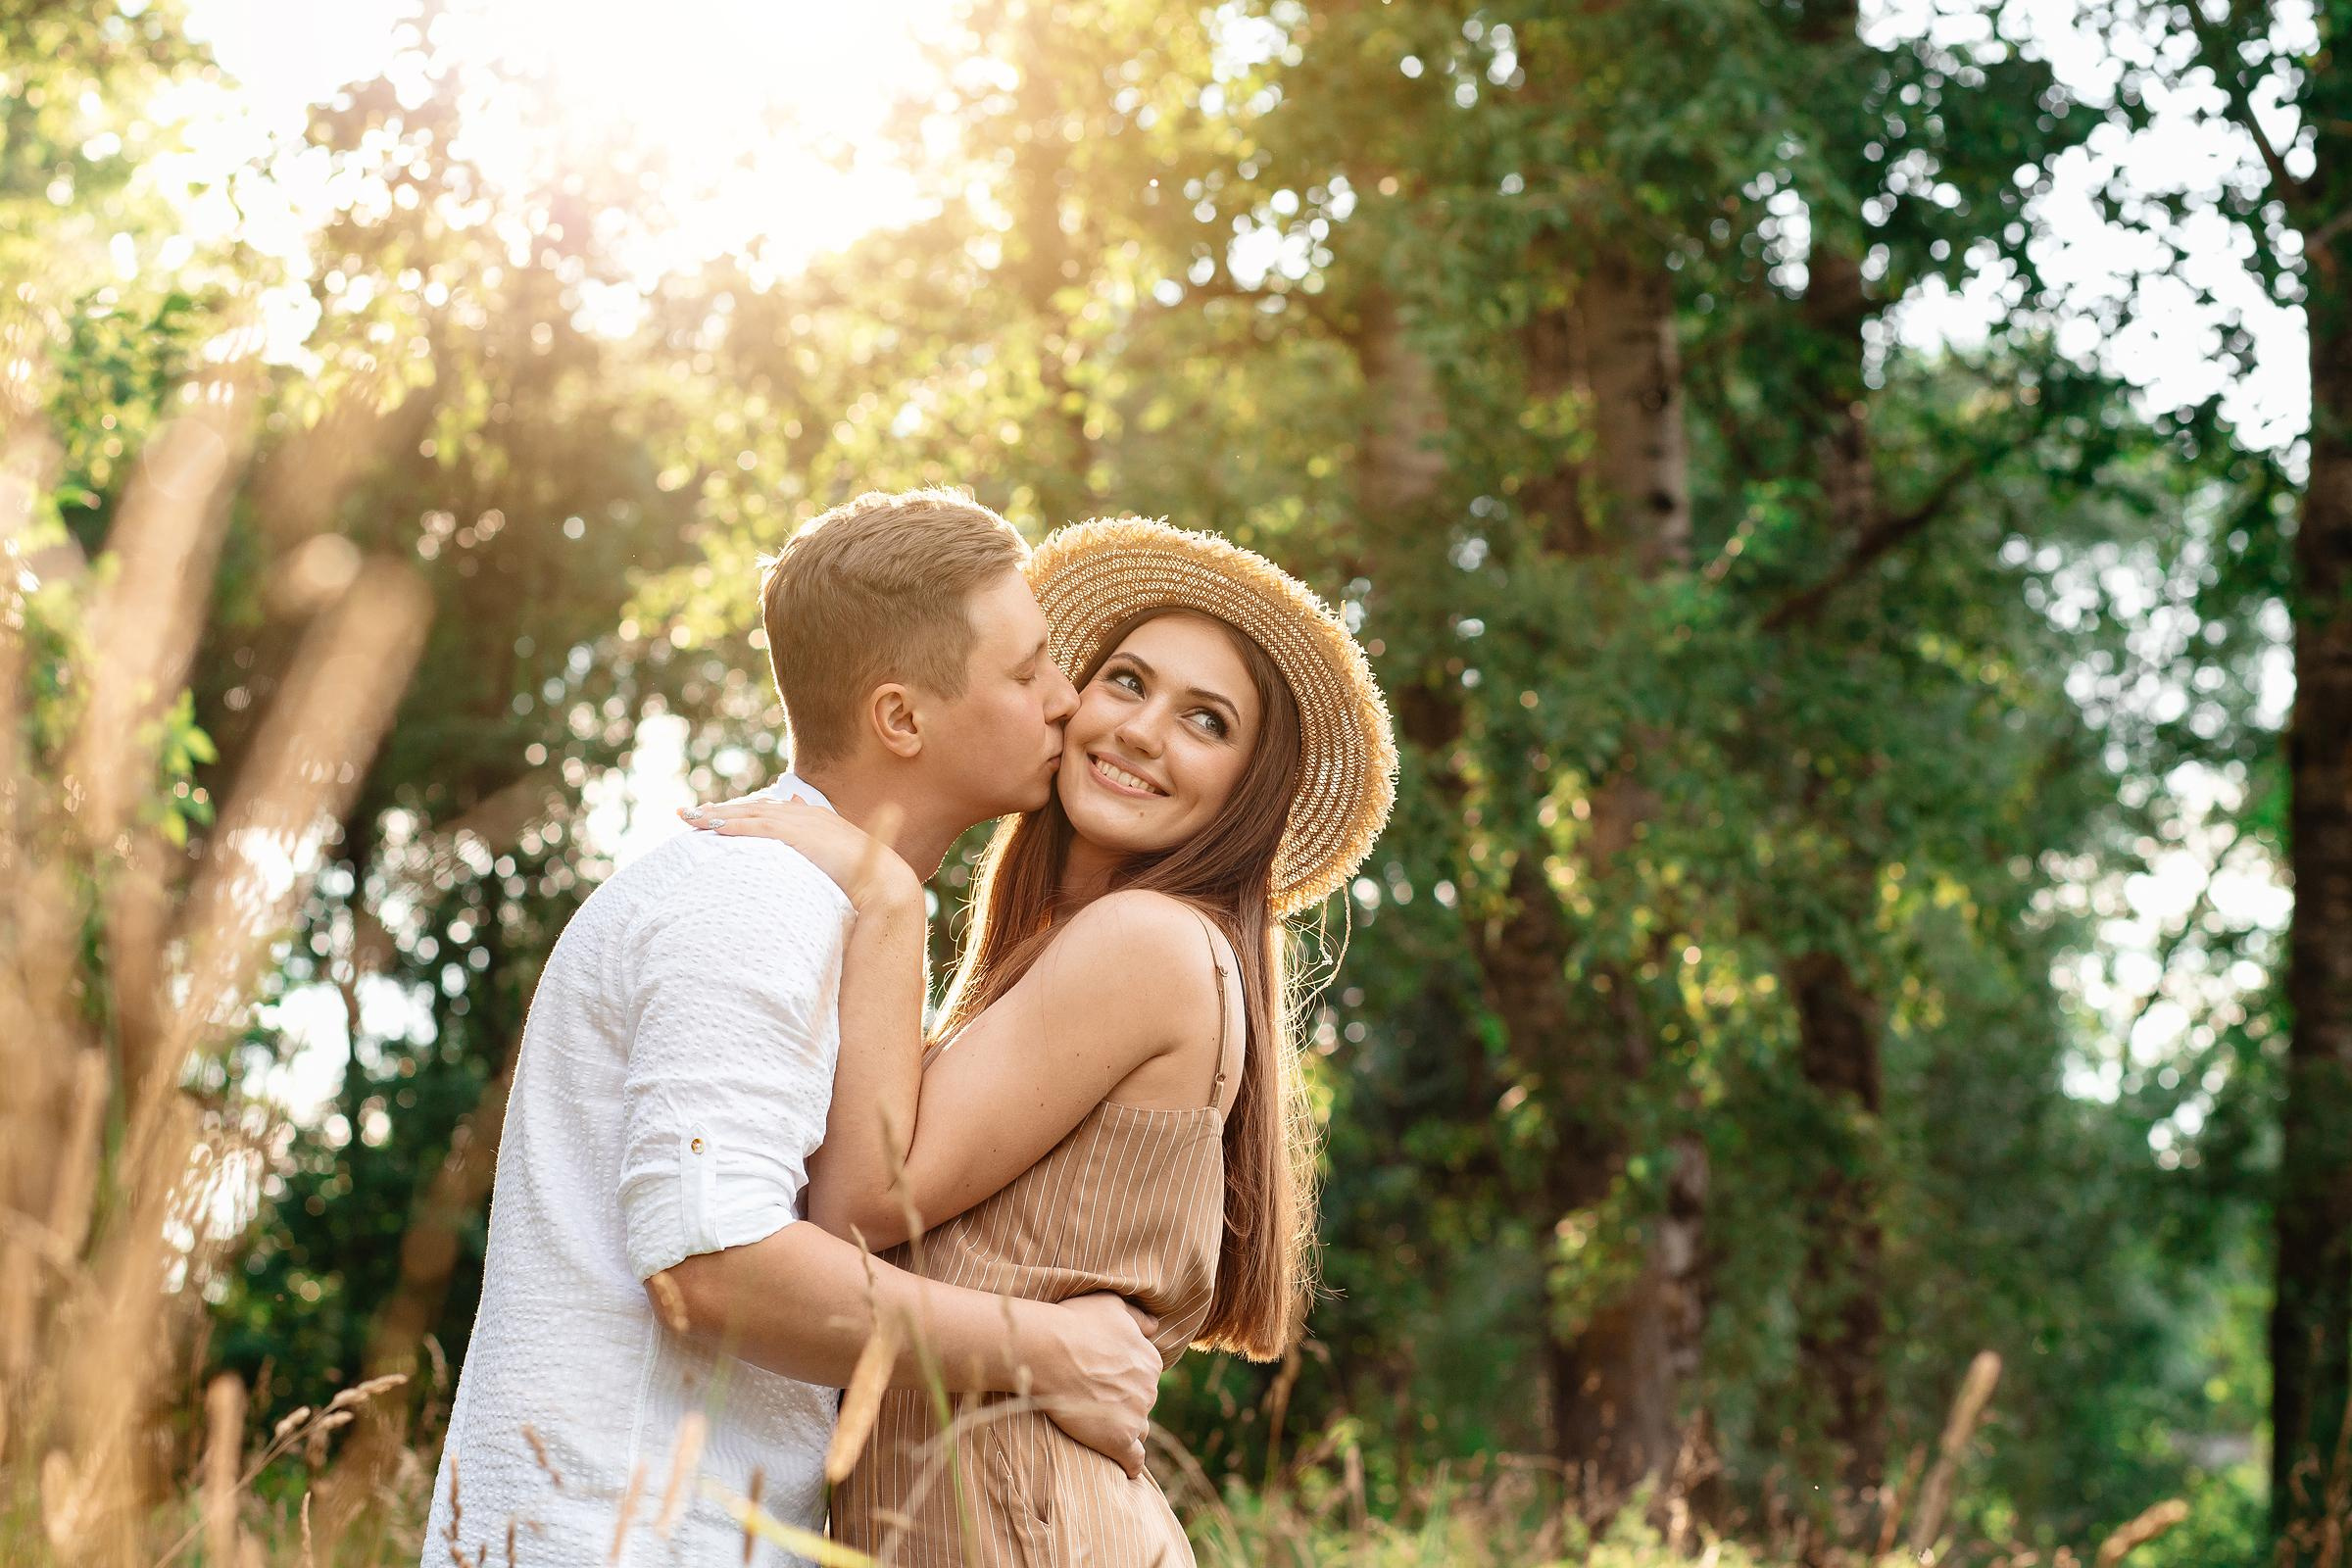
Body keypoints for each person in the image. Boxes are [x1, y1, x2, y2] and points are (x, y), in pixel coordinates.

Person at [422, 491, 1166, 1568]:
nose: (1067, 700)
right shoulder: (755, 901)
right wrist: (1045, 1350)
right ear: (901, 718)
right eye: (1026, 671)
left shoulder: (843, 907)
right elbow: (711, 1267)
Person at [682, 515, 1396, 1564]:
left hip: (1024, 1526)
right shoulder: (1068, 953)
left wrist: (886, 897)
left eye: (1206, 720)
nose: (1144, 730)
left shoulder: (1144, 942)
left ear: (1249, 787)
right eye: (1125, 681)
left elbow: (865, 1202)